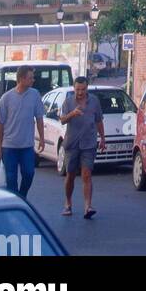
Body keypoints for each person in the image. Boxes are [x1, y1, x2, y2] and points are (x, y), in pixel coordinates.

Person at [0, 65, 45, 199]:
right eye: (30, 78)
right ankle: (15, 201)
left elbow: (39, 118)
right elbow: (0, 124)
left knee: (29, 173)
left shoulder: (34, 95)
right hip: (9, 146)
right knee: (11, 177)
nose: (33, 80)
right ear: (21, 79)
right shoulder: (6, 98)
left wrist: (42, 138)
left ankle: (22, 196)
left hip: (27, 146)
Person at [58, 77, 105, 219]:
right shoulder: (68, 101)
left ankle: (87, 206)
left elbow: (98, 121)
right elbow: (62, 120)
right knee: (71, 175)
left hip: (89, 143)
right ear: (74, 88)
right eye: (78, 89)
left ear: (87, 88)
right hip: (72, 144)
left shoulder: (94, 102)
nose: (80, 92)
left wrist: (103, 138)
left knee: (86, 174)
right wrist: (72, 113)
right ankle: (68, 203)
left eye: (83, 89)